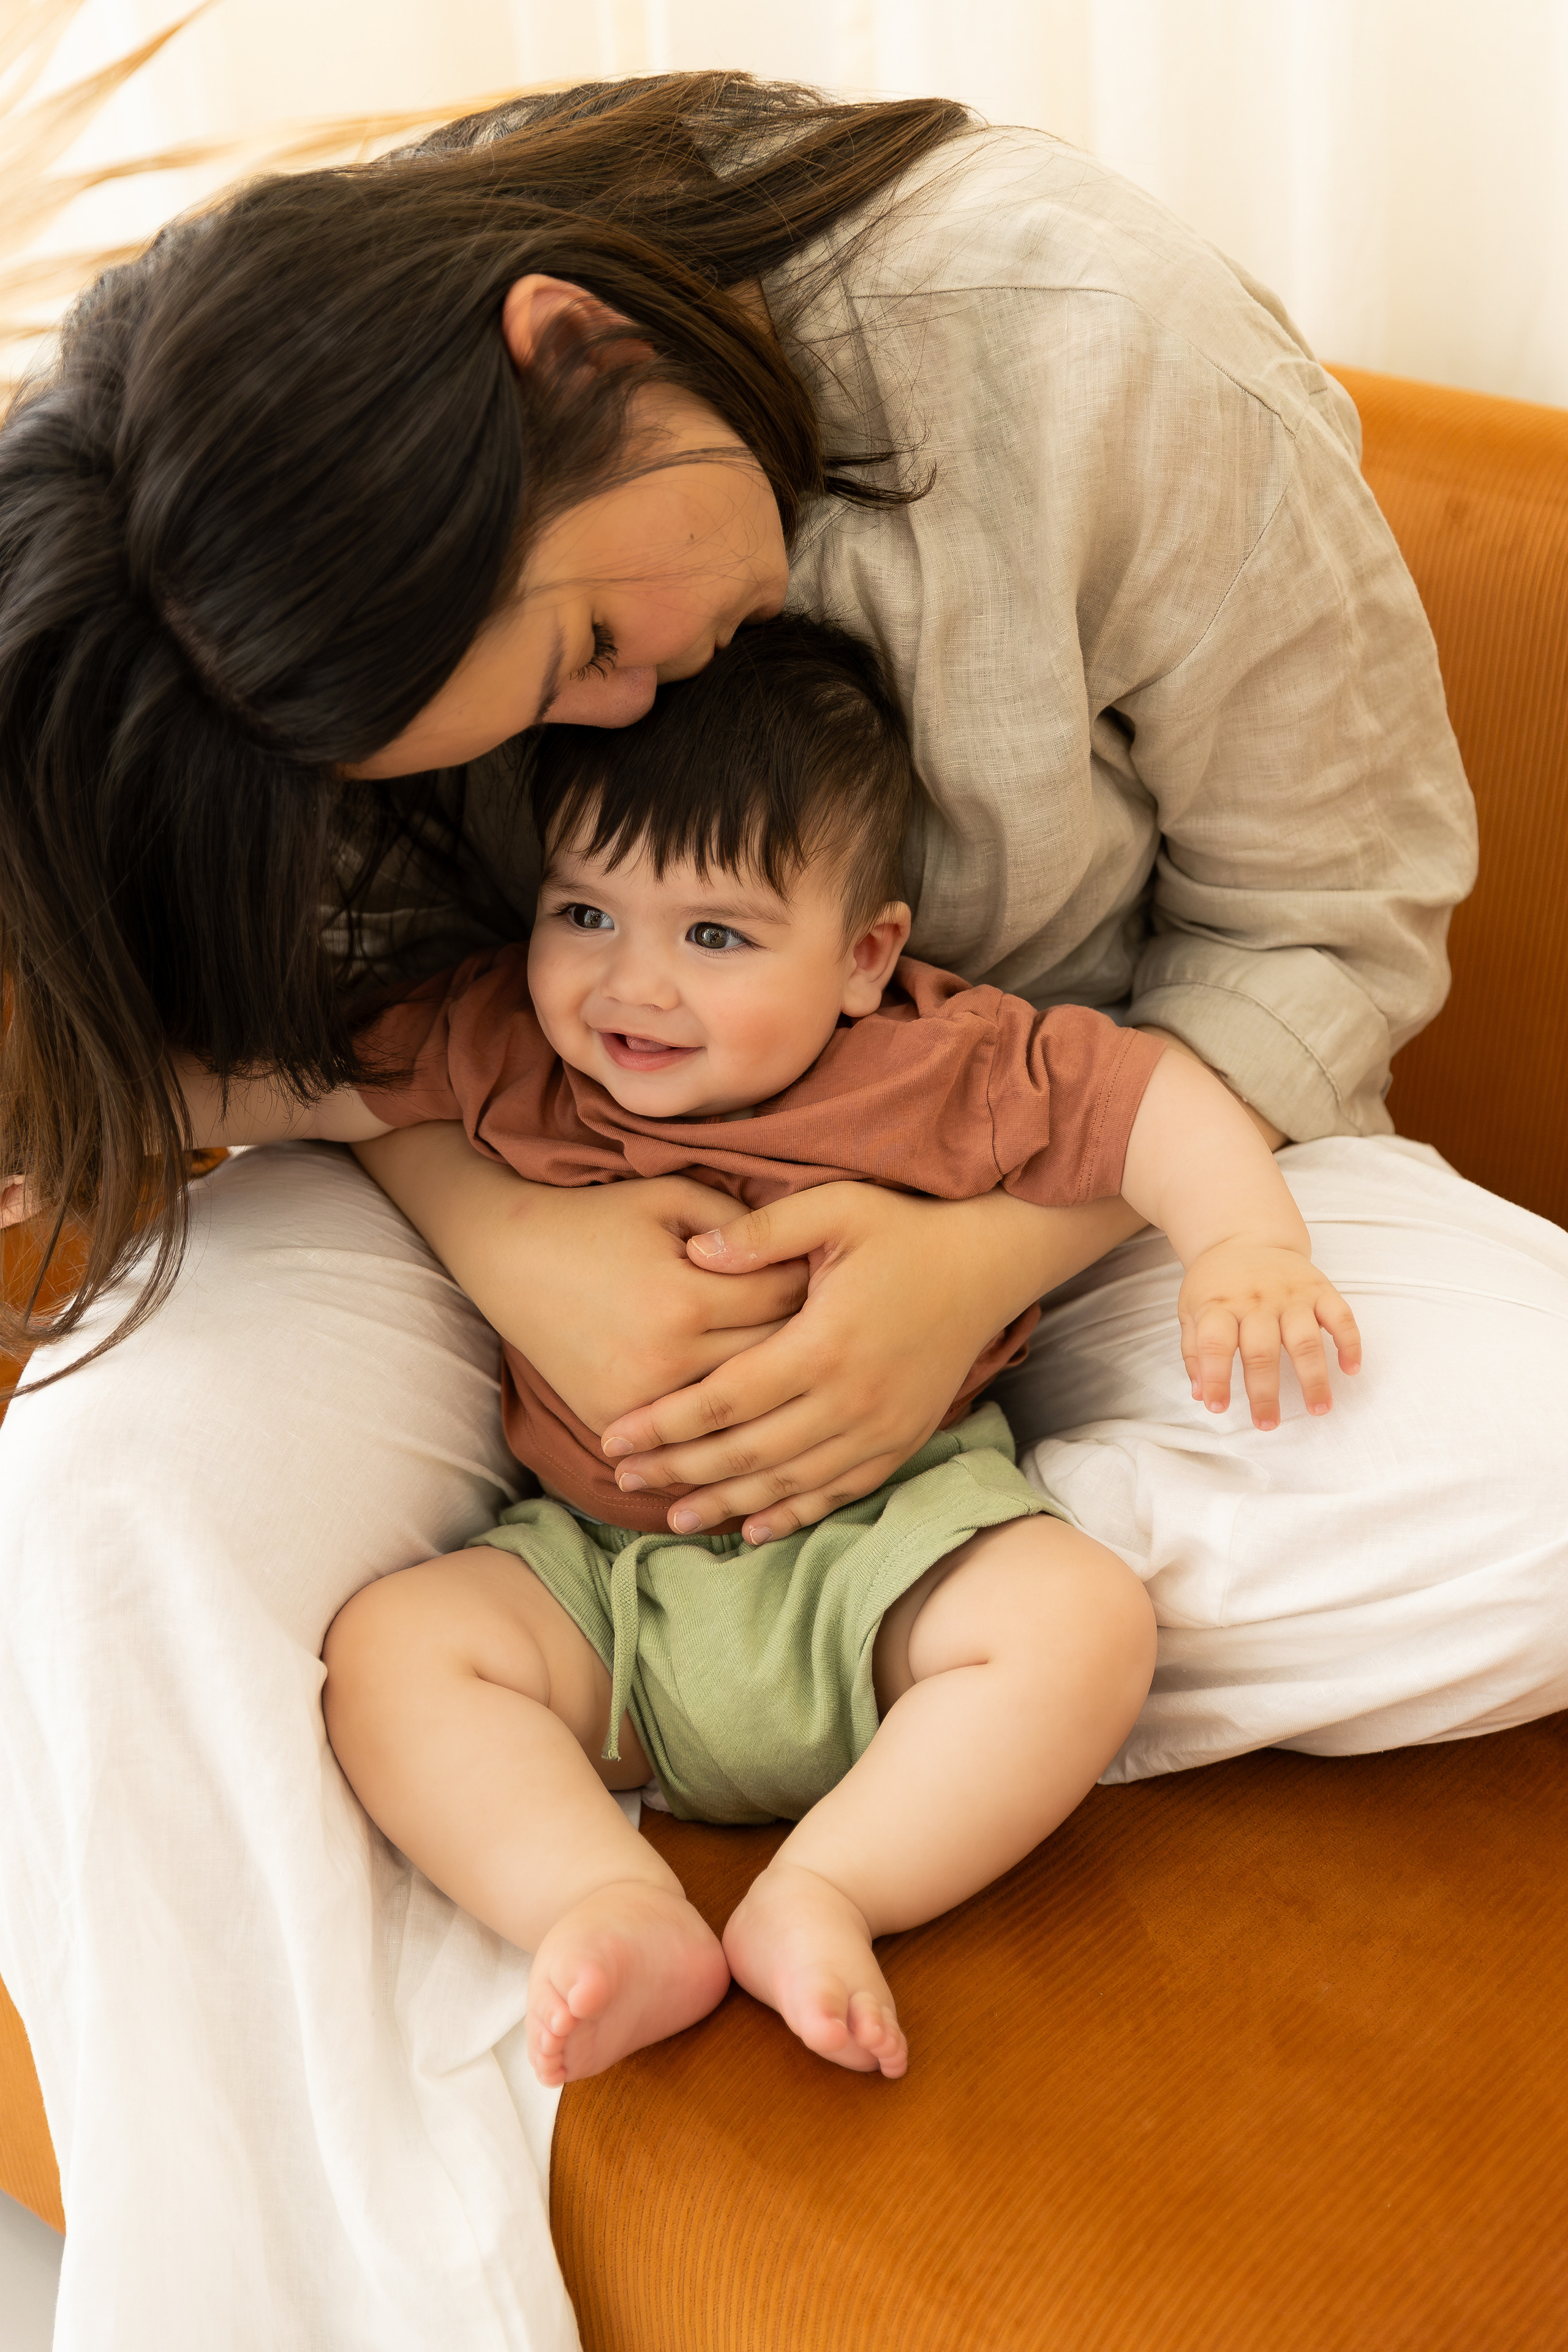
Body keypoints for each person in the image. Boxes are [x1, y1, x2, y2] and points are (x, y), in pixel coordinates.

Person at [0, 70, 1563, 2352]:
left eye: (582, 657)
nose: (638, 713)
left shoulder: (1094, 341)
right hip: (503, 1192)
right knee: (91, 1505)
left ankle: (861, 1650)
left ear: (566, 350)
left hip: (1059, 1198)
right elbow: (336, 1037)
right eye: (536, 741)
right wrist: (516, 1239)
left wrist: (961, 1286)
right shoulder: (239, 476)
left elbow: (1330, 924)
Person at [162, 616, 1359, 2087]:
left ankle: (830, 1888)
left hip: (887, 1554)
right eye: (584, 913)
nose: (630, 986)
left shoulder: (931, 1063)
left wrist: (1244, 1247)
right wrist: (96, 1111)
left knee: (1080, 1621)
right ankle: (601, 1902)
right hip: (598, 1582)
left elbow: (1151, 1099)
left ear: (865, 958)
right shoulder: (507, 1043)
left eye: (713, 937)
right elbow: (301, 1083)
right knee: (390, 1655)